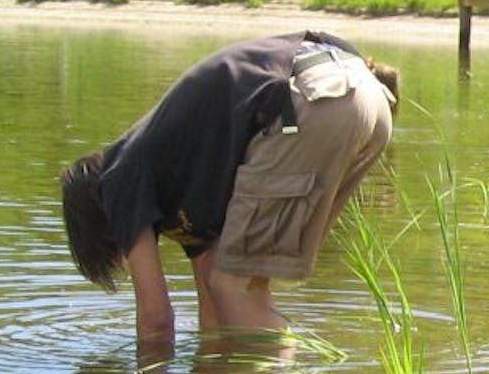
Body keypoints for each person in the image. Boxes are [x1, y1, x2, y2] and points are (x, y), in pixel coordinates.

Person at [60, 31, 399, 348]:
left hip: (315, 99)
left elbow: (156, 323)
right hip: (366, 102)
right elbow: (212, 311)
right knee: (244, 283)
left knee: (232, 286)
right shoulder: (177, 189)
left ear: (98, 222)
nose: (123, 259)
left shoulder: (118, 179)